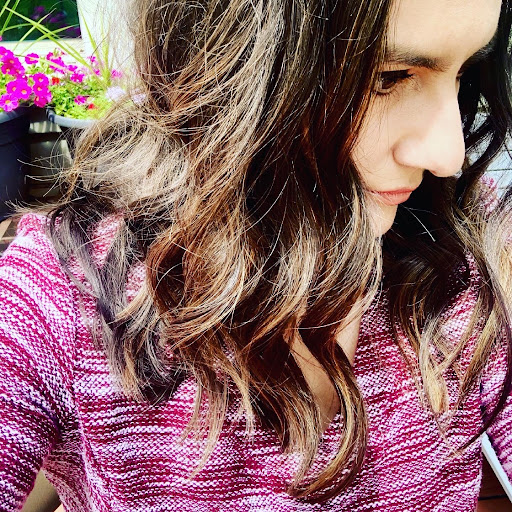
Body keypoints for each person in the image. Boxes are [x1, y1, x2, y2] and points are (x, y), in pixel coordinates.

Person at [1, 0, 512, 510]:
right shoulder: (62, 293)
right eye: (389, 77)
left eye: (462, 73)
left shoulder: (467, 239)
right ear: (228, 60)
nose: (449, 155)